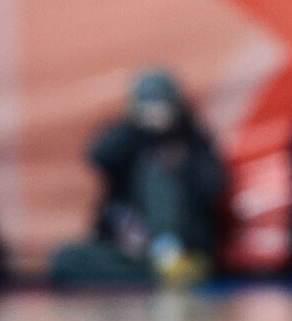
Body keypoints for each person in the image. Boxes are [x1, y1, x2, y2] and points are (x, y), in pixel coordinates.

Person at [84, 71, 224, 284]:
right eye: (148, 107)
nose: (155, 115)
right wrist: (137, 130)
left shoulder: (192, 140)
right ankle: (159, 272)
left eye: (160, 107)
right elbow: (98, 157)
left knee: (157, 171)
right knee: (67, 259)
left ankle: (166, 258)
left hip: (181, 242)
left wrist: (181, 164)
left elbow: (212, 187)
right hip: (131, 244)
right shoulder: (127, 136)